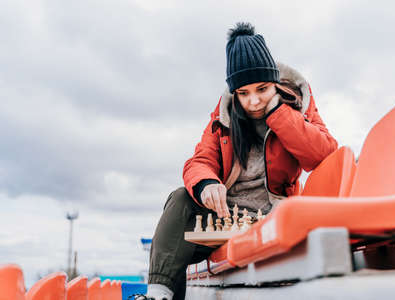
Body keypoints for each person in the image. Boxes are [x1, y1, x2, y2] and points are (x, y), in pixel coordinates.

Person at [134, 22, 338, 300]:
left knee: (178, 239)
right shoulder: (223, 116)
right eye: (243, 93)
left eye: (262, 89)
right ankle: (159, 295)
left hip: (273, 216)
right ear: (234, 93)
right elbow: (199, 161)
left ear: (275, 84)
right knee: (180, 199)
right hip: (226, 220)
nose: (253, 101)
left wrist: (279, 113)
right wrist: (206, 184)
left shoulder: (298, 105)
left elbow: (323, 155)